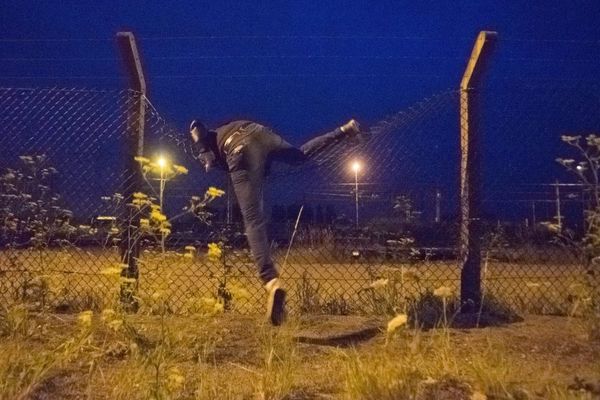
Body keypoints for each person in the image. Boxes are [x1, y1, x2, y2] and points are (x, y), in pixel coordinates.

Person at [189, 118, 363, 325]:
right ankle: (344, 130)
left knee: (252, 219)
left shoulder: (210, 142)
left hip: (238, 146)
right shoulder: (221, 136)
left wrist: (202, 150)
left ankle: (270, 280)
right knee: (300, 156)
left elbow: (196, 126)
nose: (205, 165)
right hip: (261, 133)